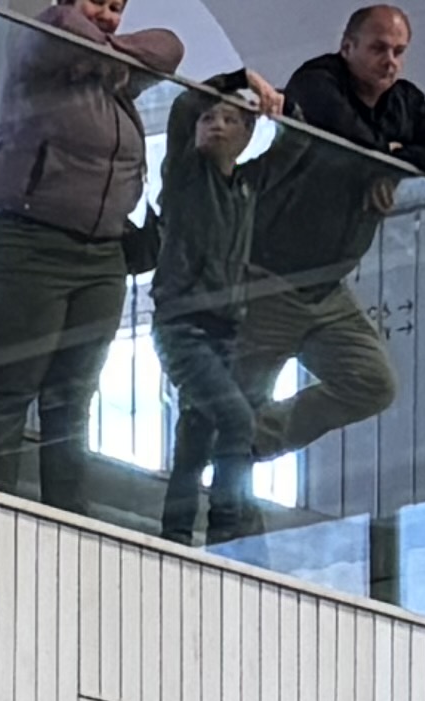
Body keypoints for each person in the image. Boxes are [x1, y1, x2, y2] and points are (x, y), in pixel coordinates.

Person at [0, 0, 185, 513]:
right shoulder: (44, 39)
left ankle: (68, 525)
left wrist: (111, 55)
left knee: (72, 401)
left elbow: (170, 47)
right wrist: (116, 54)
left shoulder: (113, 79)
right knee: (10, 391)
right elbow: (66, 26)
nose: (107, 14)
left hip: (102, 256)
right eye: (96, 1)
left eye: (117, 6)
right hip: (26, 243)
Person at [242, 7, 425, 477]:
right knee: (240, 393)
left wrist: (392, 164)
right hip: (269, 278)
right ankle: (224, 467)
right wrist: (389, 159)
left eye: (399, 51)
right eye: (378, 48)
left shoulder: (404, 101)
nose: (390, 61)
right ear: (347, 47)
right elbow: (350, 141)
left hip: (328, 284)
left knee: (372, 383)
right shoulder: (316, 81)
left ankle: (249, 441)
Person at [149, 75, 277, 543]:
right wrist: (241, 79)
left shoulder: (246, 187)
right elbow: (184, 107)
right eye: (209, 118)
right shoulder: (185, 174)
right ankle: (226, 532)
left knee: (196, 434)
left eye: (229, 120)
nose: (216, 125)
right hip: (182, 326)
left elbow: (295, 150)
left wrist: (278, 108)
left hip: (225, 328)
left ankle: (176, 534)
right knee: (237, 420)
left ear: (247, 134)